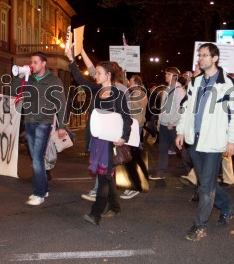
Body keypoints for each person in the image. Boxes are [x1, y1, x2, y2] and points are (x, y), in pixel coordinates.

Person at [175, 42, 234, 242]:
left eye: (204, 55)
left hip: (214, 141)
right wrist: (181, 131)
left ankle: (200, 225)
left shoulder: (228, 83)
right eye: (199, 55)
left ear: (214, 58)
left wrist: (233, 139)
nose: (200, 58)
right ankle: (228, 206)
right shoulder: (195, 82)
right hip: (194, 139)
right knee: (207, 182)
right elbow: (186, 109)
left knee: (205, 185)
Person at [67, 49, 132, 225]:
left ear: (108, 75)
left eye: (99, 73)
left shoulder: (118, 95)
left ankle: (96, 213)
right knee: (106, 175)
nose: (96, 75)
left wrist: (123, 137)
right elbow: (80, 78)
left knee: (103, 178)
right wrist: (72, 59)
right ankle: (115, 206)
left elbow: (126, 118)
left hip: (111, 142)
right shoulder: (96, 90)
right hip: (96, 140)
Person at [11, 52, 68, 206]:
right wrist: (21, 76)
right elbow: (14, 91)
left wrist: (62, 125)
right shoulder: (29, 78)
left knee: (36, 158)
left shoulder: (53, 80)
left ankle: (39, 193)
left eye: (35, 62)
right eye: (31, 62)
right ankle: (44, 188)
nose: (32, 64)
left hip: (44, 122)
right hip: (29, 121)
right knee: (36, 158)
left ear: (44, 63)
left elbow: (61, 104)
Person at [149, 67, 185, 180]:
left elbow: (181, 109)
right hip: (164, 125)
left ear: (174, 76)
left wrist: (172, 121)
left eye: (168, 74)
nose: (166, 76)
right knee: (163, 149)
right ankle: (160, 172)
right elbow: (163, 108)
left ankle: (193, 172)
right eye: (166, 74)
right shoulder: (166, 90)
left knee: (182, 151)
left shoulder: (179, 90)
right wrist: (159, 121)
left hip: (173, 126)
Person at [120, 75, 149, 199]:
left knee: (133, 154)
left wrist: (127, 100)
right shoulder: (134, 93)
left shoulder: (140, 93)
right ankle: (140, 180)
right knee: (134, 153)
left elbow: (137, 106)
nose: (128, 83)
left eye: (130, 82)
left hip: (136, 126)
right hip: (134, 126)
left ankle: (137, 183)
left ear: (135, 82)